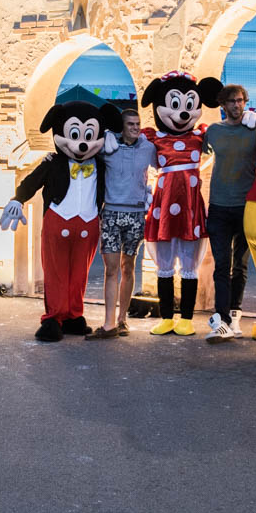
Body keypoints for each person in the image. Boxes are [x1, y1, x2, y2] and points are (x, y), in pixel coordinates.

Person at [202, 83, 256, 342]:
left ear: (245, 102)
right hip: (219, 207)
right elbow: (195, 154)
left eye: (240, 101)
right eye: (231, 101)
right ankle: (222, 320)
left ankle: (234, 314)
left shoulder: (255, 130)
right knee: (221, 265)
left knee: (241, 265)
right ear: (222, 105)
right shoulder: (213, 132)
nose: (237, 105)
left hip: (247, 206)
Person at [89, 106, 153, 339]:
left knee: (128, 266)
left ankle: (122, 319)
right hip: (111, 214)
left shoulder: (148, 148)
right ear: (122, 127)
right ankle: (109, 324)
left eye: (138, 124)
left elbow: (169, 161)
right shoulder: (108, 148)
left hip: (136, 215)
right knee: (111, 269)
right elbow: (82, 153)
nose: (136, 128)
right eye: (130, 124)